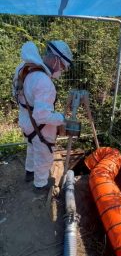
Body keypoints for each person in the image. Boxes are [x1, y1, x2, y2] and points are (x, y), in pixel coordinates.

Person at [13, 40, 73, 191]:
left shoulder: (23, 67)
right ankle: (40, 184)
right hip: (39, 124)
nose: (62, 71)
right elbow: (42, 116)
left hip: (26, 119)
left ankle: (29, 172)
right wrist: (61, 119)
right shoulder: (44, 82)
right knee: (45, 154)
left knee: (32, 145)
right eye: (63, 67)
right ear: (56, 60)